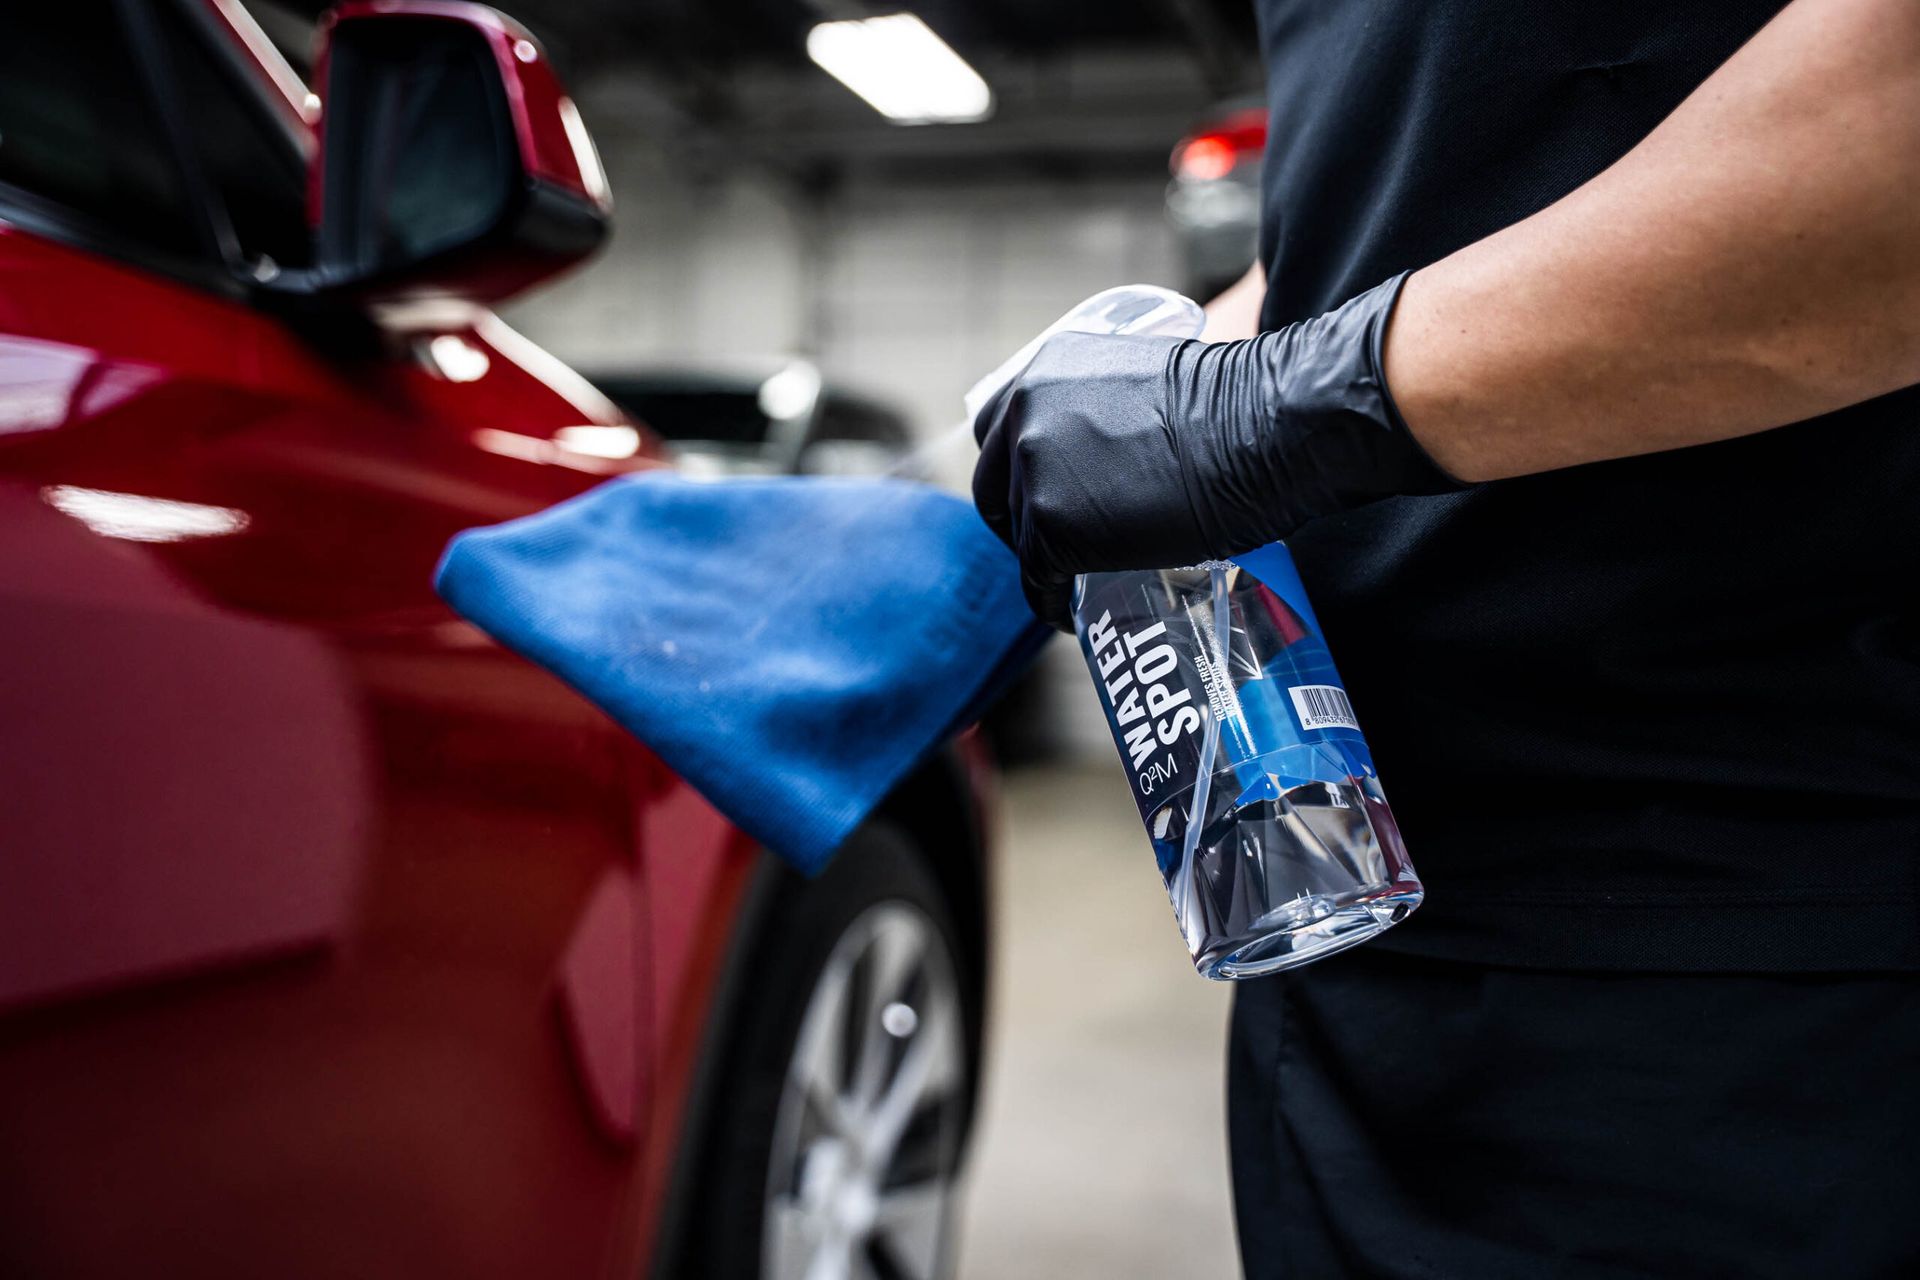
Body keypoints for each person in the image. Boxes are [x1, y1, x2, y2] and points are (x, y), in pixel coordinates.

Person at [970, 0, 1920, 1275]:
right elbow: (1385, 205)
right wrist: (1150, 379)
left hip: (1761, 954)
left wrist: (1269, 409)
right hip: (1346, 932)